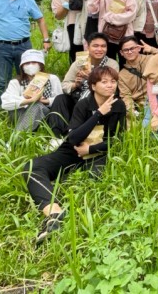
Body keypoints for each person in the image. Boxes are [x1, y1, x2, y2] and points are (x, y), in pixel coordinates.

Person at [24, 66, 125, 244]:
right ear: (93, 86)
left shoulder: (119, 106)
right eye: (104, 82)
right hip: (72, 151)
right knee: (33, 167)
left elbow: (116, 140)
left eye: (113, 81)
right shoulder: (84, 104)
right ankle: (54, 214)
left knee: (94, 180)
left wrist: (90, 150)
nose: (110, 85)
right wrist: (98, 113)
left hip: (99, 153)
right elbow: (73, 138)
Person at [50, 32, 120, 128]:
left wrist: (90, 77)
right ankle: (57, 132)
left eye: (103, 46)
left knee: (90, 98)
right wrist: (75, 84)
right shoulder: (79, 63)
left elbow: (112, 87)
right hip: (78, 96)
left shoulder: (112, 64)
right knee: (60, 99)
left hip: (99, 100)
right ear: (87, 47)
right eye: (95, 46)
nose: (100, 49)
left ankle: (80, 129)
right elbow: (65, 85)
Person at [1, 49, 64, 136]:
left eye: (34, 62)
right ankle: (22, 133)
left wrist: (45, 101)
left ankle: (16, 137)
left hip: (44, 115)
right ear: (22, 66)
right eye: (27, 63)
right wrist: (29, 100)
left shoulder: (52, 79)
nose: (30, 65)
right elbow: (5, 103)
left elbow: (60, 101)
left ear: (41, 65)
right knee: (32, 105)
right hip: (20, 114)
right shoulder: (16, 82)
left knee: (37, 106)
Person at [117, 35, 158, 124]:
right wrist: (132, 111)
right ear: (121, 53)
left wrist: (152, 49)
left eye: (132, 48)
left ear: (138, 48)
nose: (129, 52)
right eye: (126, 50)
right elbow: (126, 96)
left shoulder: (151, 59)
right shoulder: (122, 75)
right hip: (139, 105)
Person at [51, 0, 81, 64]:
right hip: (72, 26)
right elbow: (58, 16)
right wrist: (67, 1)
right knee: (76, 53)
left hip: (88, 24)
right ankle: (76, 72)